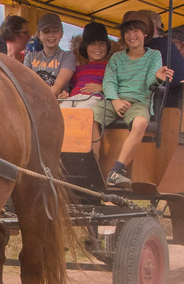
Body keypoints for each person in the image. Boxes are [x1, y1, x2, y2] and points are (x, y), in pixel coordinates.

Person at [94, 13, 170, 188]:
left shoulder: (153, 56)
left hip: (139, 102)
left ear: (145, 33)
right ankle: (93, 164)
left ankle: (117, 171)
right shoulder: (117, 58)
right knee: (88, 117)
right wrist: (114, 100)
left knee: (141, 122)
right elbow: (109, 81)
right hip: (115, 101)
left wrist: (158, 77)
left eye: (136, 30)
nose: (131, 35)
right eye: (127, 31)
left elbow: (151, 81)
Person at [25, 13, 76, 97]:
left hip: (56, 103)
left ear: (61, 33)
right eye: (46, 31)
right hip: (34, 102)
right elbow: (25, 84)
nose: (51, 35)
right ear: (39, 34)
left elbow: (57, 87)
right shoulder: (30, 57)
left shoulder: (68, 56)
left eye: (55, 31)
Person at [65, 22, 111, 98]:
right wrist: (64, 95)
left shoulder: (111, 67)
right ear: (85, 47)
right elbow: (70, 88)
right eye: (92, 43)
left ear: (107, 46)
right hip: (74, 99)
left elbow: (118, 87)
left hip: (94, 100)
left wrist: (102, 88)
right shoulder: (78, 69)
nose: (97, 47)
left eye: (101, 43)